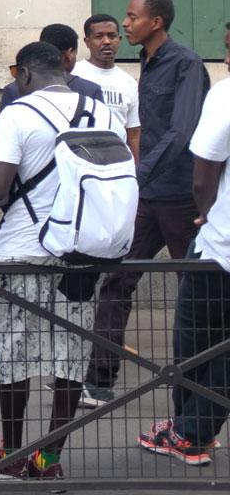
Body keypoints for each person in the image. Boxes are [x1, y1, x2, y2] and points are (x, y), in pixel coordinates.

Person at [0, 42, 127, 480]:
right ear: (63, 66)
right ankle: (49, 458)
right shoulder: (102, 112)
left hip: (21, 251)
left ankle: (11, 456)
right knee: (69, 357)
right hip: (82, 252)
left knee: (14, 357)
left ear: (23, 75)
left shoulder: (18, 114)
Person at [84, 0, 210, 409]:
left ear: (155, 22)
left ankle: (200, 395)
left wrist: (136, 175)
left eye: (132, 17)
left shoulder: (186, 64)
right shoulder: (146, 64)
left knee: (197, 295)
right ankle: (99, 382)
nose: (126, 24)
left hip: (179, 198)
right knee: (117, 281)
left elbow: (182, 132)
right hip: (146, 198)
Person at [138, 23, 230, 465]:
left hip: (221, 250)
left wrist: (207, 209)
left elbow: (203, 170)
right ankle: (190, 431)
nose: (226, 61)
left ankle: (189, 433)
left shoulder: (226, 93)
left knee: (198, 340)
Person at [0, 24, 104, 199]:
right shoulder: (90, 93)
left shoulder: (16, 90)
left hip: (29, 198)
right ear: (69, 55)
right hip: (78, 197)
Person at [75, 13, 143, 161]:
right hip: (81, 162)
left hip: (118, 165)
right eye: (99, 36)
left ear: (119, 40)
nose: (106, 41)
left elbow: (134, 134)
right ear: (87, 42)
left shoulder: (129, 82)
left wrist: (137, 172)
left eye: (112, 36)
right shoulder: (73, 74)